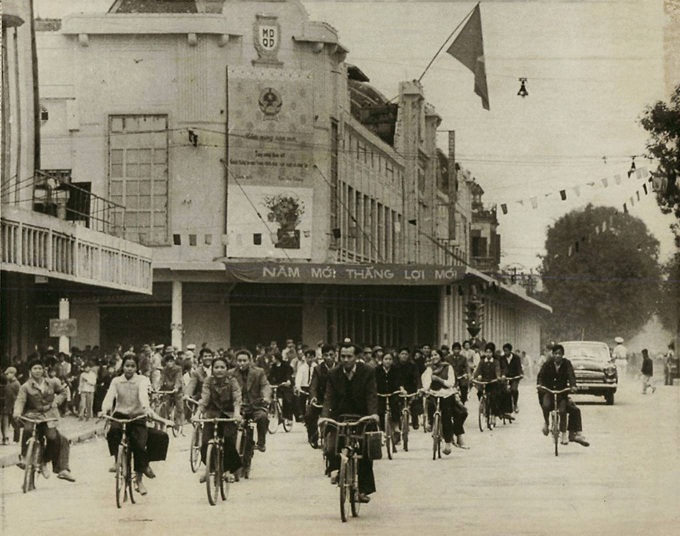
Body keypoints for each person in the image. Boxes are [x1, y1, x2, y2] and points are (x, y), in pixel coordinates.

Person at [322, 341, 379, 504]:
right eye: (343, 356)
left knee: (366, 450)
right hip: (341, 415)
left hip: (362, 415)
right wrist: (324, 416)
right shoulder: (333, 373)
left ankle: (363, 489)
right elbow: (328, 397)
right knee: (332, 444)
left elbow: (371, 394)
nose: (345, 360)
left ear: (357, 357)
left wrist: (373, 414)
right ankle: (335, 469)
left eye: (349, 356)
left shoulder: (367, 372)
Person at [100, 353, 156, 495]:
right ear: (123, 367)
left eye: (132, 366)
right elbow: (109, 397)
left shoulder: (143, 380)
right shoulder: (116, 381)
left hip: (138, 415)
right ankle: (116, 460)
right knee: (113, 432)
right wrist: (104, 409)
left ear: (137, 367)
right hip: (120, 414)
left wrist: (147, 409)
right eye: (127, 366)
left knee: (139, 445)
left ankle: (139, 480)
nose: (129, 369)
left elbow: (143, 396)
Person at [13, 358, 76, 482]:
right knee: (27, 429)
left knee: (53, 437)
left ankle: (44, 460)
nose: (37, 371)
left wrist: (56, 402)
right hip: (32, 415)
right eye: (35, 368)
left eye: (40, 368)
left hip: (49, 415)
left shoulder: (52, 382)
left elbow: (63, 392)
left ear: (43, 370)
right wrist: (17, 412)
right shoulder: (25, 386)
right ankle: (25, 458)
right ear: (30, 371)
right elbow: (20, 400)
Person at [197, 355, 242, 483]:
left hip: (228, 415)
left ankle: (228, 471)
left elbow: (237, 398)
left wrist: (237, 414)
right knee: (205, 443)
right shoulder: (208, 381)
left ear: (227, 369)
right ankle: (210, 468)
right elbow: (205, 399)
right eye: (216, 367)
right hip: (212, 414)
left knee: (228, 440)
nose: (219, 370)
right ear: (212, 369)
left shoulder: (232, 381)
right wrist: (197, 413)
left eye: (222, 367)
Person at [537, 344, 586, 446]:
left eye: (560, 353)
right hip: (549, 391)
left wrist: (573, 386)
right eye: (556, 353)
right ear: (553, 354)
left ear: (563, 354)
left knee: (563, 410)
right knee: (546, 405)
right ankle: (546, 422)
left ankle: (564, 434)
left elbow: (571, 375)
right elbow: (541, 375)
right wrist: (540, 385)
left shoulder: (567, 364)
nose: (558, 356)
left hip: (562, 392)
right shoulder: (547, 364)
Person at [422, 347, 468, 453]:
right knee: (429, 405)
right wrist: (425, 388)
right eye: (432, 355)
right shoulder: (429, 369)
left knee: (447, 417)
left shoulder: (448, 367)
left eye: (436, 355)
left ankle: (448, 443)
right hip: (434, 394)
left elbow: (451, 383)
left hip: (447, 394)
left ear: (441, 356)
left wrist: (439, 380)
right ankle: (431, 424)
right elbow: (426, 382)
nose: (434, 357)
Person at [231, 349, 271, 452]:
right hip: (238, 407)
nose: (242, 363)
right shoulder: (230, 373)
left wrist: (265, 397)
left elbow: (265, 386)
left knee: (263, 417)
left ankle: (261, 442)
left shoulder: (259, 372)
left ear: (250, 360)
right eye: (239, 361)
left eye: (244, 360)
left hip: (254, 405)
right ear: (236, 361)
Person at [305, 344, 335, 448]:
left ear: (335, 355)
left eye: (331, 355)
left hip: (336, 400)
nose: (329, 358)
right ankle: (313, 437)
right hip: (321, 400)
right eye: (326, 355)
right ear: (322, 356)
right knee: (309, 413)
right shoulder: (318, 369)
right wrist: (313, 397)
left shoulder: (340, 367)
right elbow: (313, 385)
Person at [374, 351, 405, 445]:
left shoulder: (396, 369)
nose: (388, 361)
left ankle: (396, 428)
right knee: (380, 410)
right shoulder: (377, 370)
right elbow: (373, 382)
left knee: (395, 406)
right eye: (386, 359)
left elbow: (400, 381)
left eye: (390, 359)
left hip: (393, 393)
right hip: (380, 393)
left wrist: (402, 389)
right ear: (382, 360)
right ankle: (382, 432)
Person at [473, 343, 502, 423]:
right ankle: (483, 407)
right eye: (486, 352)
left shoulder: (495, 362)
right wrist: (474, 377)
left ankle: (493, 415)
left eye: (490, 352)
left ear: (492, 353)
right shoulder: (482, 362)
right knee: (479, 393)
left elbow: (497, 370)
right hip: (484, 382)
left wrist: (498, 377)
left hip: (492, 382)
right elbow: (478, 370)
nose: (488, 354)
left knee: (493, 398)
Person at [396, 347, 422, 429]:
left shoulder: (413, 365)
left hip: (411, 388)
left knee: (414, 404)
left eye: (406, 354)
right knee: (397, 406)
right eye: (402, 354)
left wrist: (418, 388)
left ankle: (415, 421)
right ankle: (398, 423)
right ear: (399, 355)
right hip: (398, 388)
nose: (404, 356)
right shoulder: (395, 366)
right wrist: (400, 388)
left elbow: (417, 378)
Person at [267, 352, 295, 423]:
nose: (272, 359)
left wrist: (288, 381)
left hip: (285, 384)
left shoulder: (285, 365)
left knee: (287, 399)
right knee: (270, 396)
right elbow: (270, 376)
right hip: (277, 384)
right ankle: (272, 412)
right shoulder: (273, 366)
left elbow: (288, 373)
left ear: (277, 358)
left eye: (273, 357)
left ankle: (289, 418)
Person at [159, 352, 184, 429]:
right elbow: (161, 379)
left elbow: (178, 378)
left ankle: (179, 424)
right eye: (167, 362)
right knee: (166, 402)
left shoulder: (178, 369)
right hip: (168, 389)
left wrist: (176, 387)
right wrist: (157, 387)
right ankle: (167, 419)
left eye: (171, 361)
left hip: (177, 389)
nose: (169, 363)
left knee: (179, 405)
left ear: (174, 362)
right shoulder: (164, 370)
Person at [499, 343, 523, 415]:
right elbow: (500, 368)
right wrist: (501, 375)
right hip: (505, 377)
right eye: (504, 351)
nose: (505, 352)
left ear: (510, 351)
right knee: (504, 391)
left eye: (506, 351)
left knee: (514, 389)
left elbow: (519, 367)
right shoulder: (501, 358)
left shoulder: (516, 358)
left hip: (514, 377)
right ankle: (505, 408)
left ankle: (515, 404)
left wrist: (520, 374)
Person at [294, 349, 316, 422]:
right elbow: (299, 377)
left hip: (312, 386)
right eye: (308, 357)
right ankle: (303, 416)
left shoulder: (316, 367)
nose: (310, 359)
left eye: (312, 357)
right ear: (305, 358)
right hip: (304, 387)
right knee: (301, 402)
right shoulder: (302, 368)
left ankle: (312, 416)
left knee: (313, 402)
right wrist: (298, 386)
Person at [2, 367, 21, 444]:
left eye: (8, 374)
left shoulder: (17, 384)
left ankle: (16, 440)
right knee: (4, 423)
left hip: (14, 406)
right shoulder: (7, 383)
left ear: (13, 374)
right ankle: (5, 438)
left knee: (15, 423)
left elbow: (19, 396)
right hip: (7, 405)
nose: (6, 375)